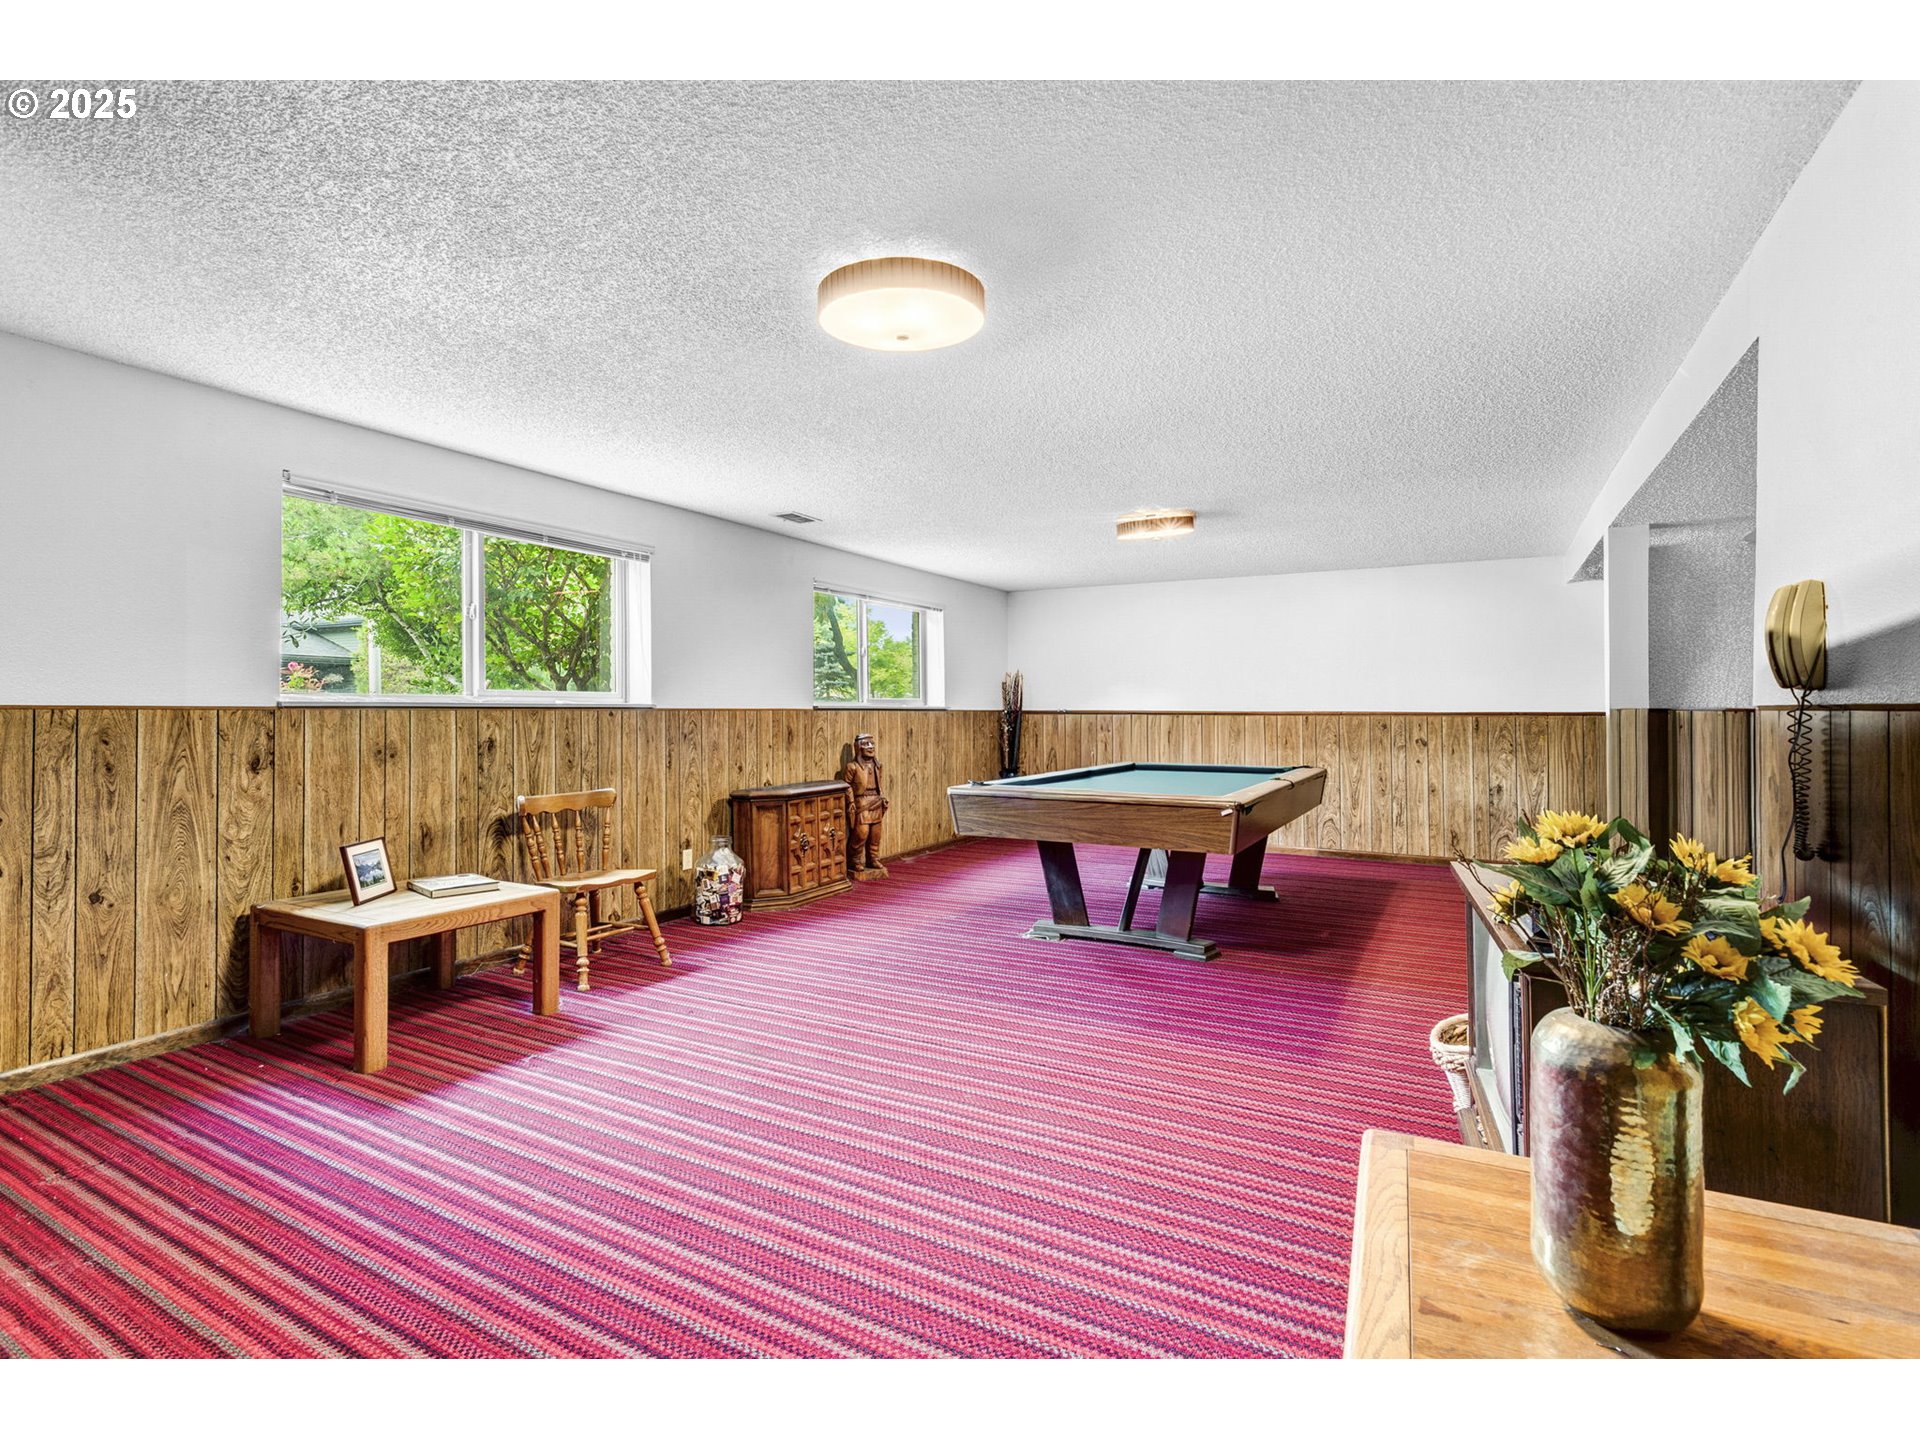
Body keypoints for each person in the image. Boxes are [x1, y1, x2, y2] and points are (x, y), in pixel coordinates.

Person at [842, 732, 889, 876]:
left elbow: (879, 783)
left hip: (876, 800)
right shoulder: (853, 767)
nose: (870, 747)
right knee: (861, 834)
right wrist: (851, 801)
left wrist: (882, 797)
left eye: (872, 744)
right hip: (862, 801)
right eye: (866, 744)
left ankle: (873, 858)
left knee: (876, 834)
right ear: (859, 748)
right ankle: (854, 860)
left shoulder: (877, 765)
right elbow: (846, 785)